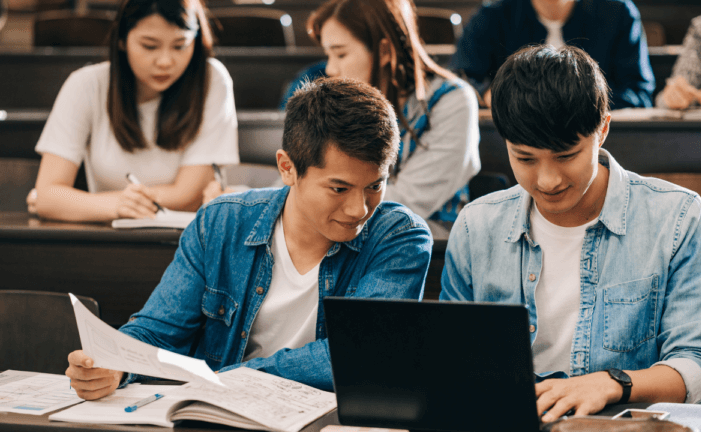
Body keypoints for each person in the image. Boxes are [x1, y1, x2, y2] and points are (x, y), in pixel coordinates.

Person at [65, 78, 433, 399]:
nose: (358, 209)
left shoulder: (400, 238)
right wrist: (114, 364)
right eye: (339, 188)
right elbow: (161, 329)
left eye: (375, 186)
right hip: (223, 415)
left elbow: (359, 354)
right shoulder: (221, 222)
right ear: (287, 168)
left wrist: (230, 379)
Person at [441, 45, 701, 421]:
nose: (547, 180)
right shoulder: (477, 225)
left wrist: (612, 383)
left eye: (566, 156)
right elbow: (451, 362)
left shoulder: (676, 217)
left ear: (603, 128)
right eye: (524, 158)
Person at [204, 0, 481, 225]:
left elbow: (407, 202)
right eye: (328, 55)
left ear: (384, 50)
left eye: (341, 54)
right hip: (336, 231)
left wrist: (265, 204)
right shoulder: (339, 105)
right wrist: (243, 199)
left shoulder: (453, 101)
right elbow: (300, 179)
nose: (332, 70)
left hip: (426, 243)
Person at [28, 0, 238, 222]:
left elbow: (187, 196)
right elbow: (48, 196)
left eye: (180, 45)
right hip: (110, 239)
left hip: (186, 240)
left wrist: (87, 203)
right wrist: (116, 204)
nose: (165, 61)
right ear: (122, 40)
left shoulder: (211, 79)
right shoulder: (86, 84)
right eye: (149, 46)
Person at [450, 0, 655, 109]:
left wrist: (575, 104)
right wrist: (490, 94)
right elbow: (460, 79)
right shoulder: (492, 15)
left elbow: (639, 92)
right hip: (513, 135)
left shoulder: (618, 13)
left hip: (599, 139)